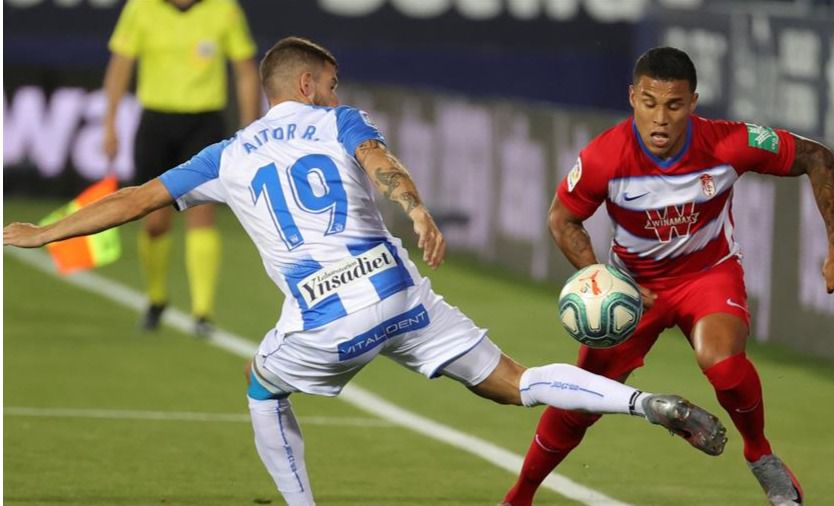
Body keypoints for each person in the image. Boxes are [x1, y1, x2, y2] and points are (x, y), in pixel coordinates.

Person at [4, 37, 728, 505]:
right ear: (309, 82)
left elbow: (136, 199)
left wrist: (46, 232)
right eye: (333, 82)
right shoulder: (338, 122)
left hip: (328, 316)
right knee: (517, 382)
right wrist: (416, 210)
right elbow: (381, 164)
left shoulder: (227, 154)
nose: (337, 91)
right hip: (399, 290)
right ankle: (645, 404)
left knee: (262, 387)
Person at [500, 47, 834, 506]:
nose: (661, 119)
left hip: (707, 275)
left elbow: (818, 157)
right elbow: (562, 219)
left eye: (674, 105)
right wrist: (600, 278)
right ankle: (519, 496)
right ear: (632, 98)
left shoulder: (729, 143)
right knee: (581, 400)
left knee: (722, 364)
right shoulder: (605, 157)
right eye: (649, 103)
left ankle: (760, 453)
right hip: (633, 288)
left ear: (693, 103)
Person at [102, 0, 260, 336]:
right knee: (154, 221)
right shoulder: (141, 8)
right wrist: (109, 123)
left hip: (204, 124)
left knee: (202, 214)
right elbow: (120, 65)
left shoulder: (223, 9)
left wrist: (251, 130)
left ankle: (203, 312)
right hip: (156, 122)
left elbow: (246, 70)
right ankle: (156, 297)